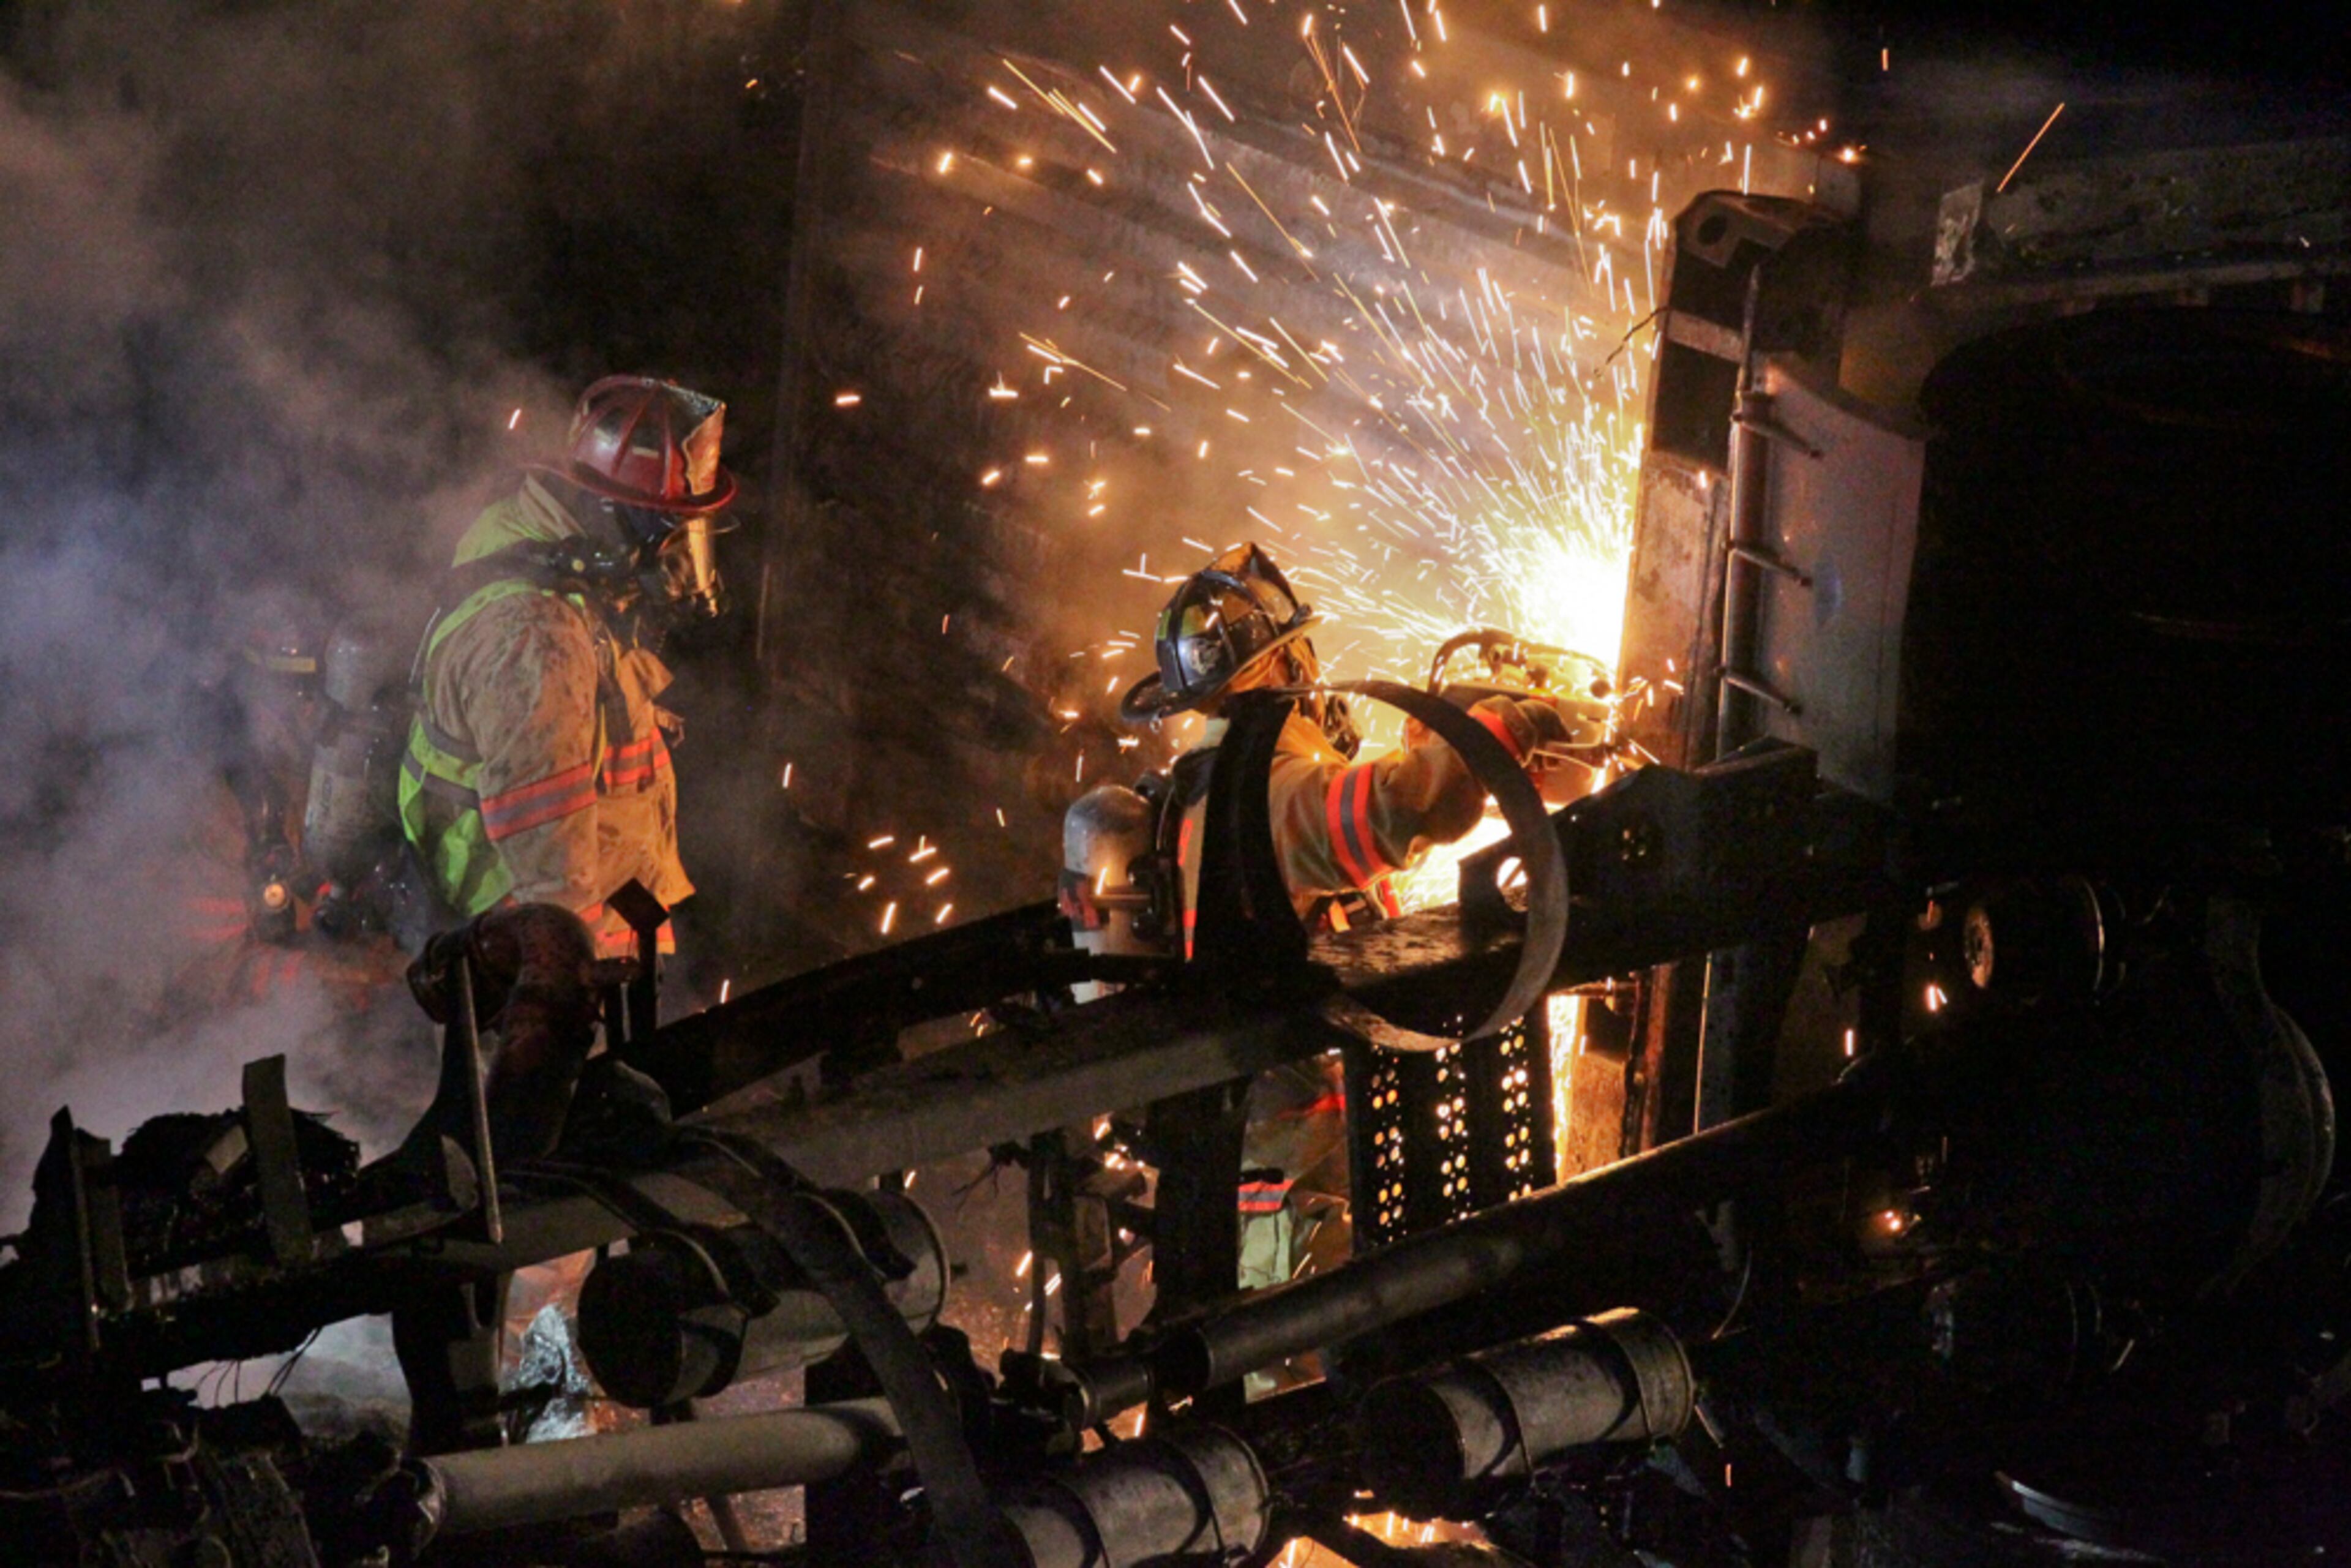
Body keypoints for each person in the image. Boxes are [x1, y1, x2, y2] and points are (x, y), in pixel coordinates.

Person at [399, 376, 735, 962]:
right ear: (609, 516)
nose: (680, 553)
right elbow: (551, 877)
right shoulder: (536, 642)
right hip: (523, 951)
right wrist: (564, 990)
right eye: (666, 528)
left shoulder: (536, 535)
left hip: (600, 907)